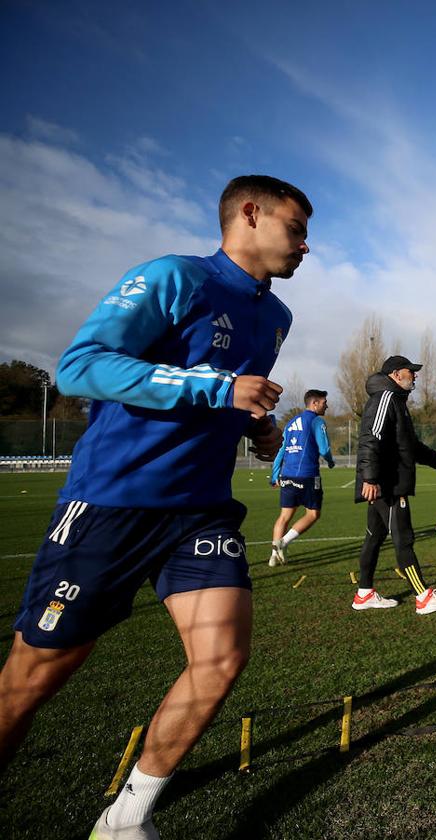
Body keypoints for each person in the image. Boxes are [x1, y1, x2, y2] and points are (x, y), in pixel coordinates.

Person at [0, 175, 311, 838]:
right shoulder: (175, 278)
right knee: (32, 680)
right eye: (297, 227)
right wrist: (218, 387)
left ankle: (126, 818)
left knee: (221, 658)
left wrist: (254, 427)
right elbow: (81, 365)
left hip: (200, 510)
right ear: (250, 214)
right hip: (115, 503)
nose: (306, 245)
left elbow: (226, 401)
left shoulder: (277, 317)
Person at [353, 355, 436, 614]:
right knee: (403, 538)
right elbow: (371, 438)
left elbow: (408, 445)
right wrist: (371, 478)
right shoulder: (386, 398)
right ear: (396, 374)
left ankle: (364, 594)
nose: (415, 376)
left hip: (385, 481)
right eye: (411, 372)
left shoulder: (396, 400)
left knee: (374, 537)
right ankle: (423, 596)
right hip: (387, 483)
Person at [268, 389, 336, 565]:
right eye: (323, 402)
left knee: (284, 516)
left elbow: (280, 451)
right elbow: (324, 449)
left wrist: (275, 474)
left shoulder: (290, 424)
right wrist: (330, 461)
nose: (326, 405)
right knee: (313, 514)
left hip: (287, 475)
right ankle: (283, 542)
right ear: (314, 403)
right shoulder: (316, 421)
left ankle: (274, 556)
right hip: (307, 476)